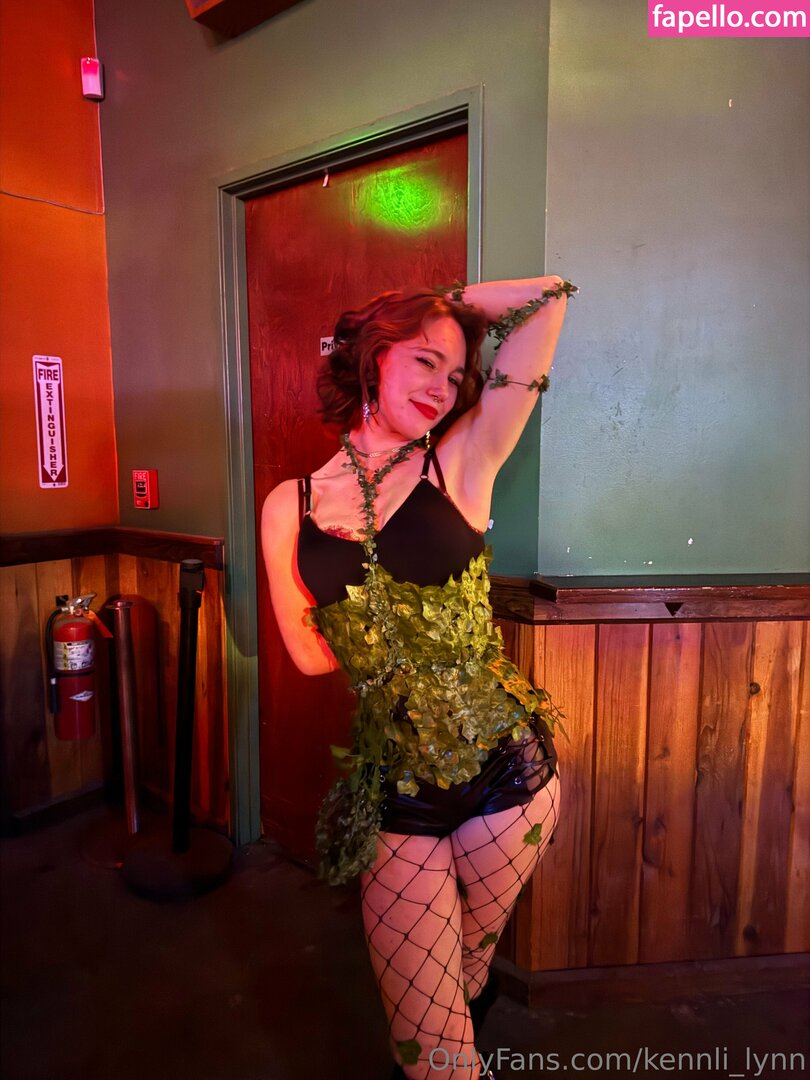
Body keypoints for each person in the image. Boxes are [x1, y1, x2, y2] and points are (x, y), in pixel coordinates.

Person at [261, 276, 576, 1079]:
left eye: (456, 372)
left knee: (465, 967)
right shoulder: (289, 504)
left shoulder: (464, 459)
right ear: (372, 357)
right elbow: (305, 655)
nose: (442, 386)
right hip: (395, 788)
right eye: (424, 360)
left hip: (510, 773)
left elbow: (549, 299)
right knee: (428, 1048)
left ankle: (471, 1008)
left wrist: (446, 305)